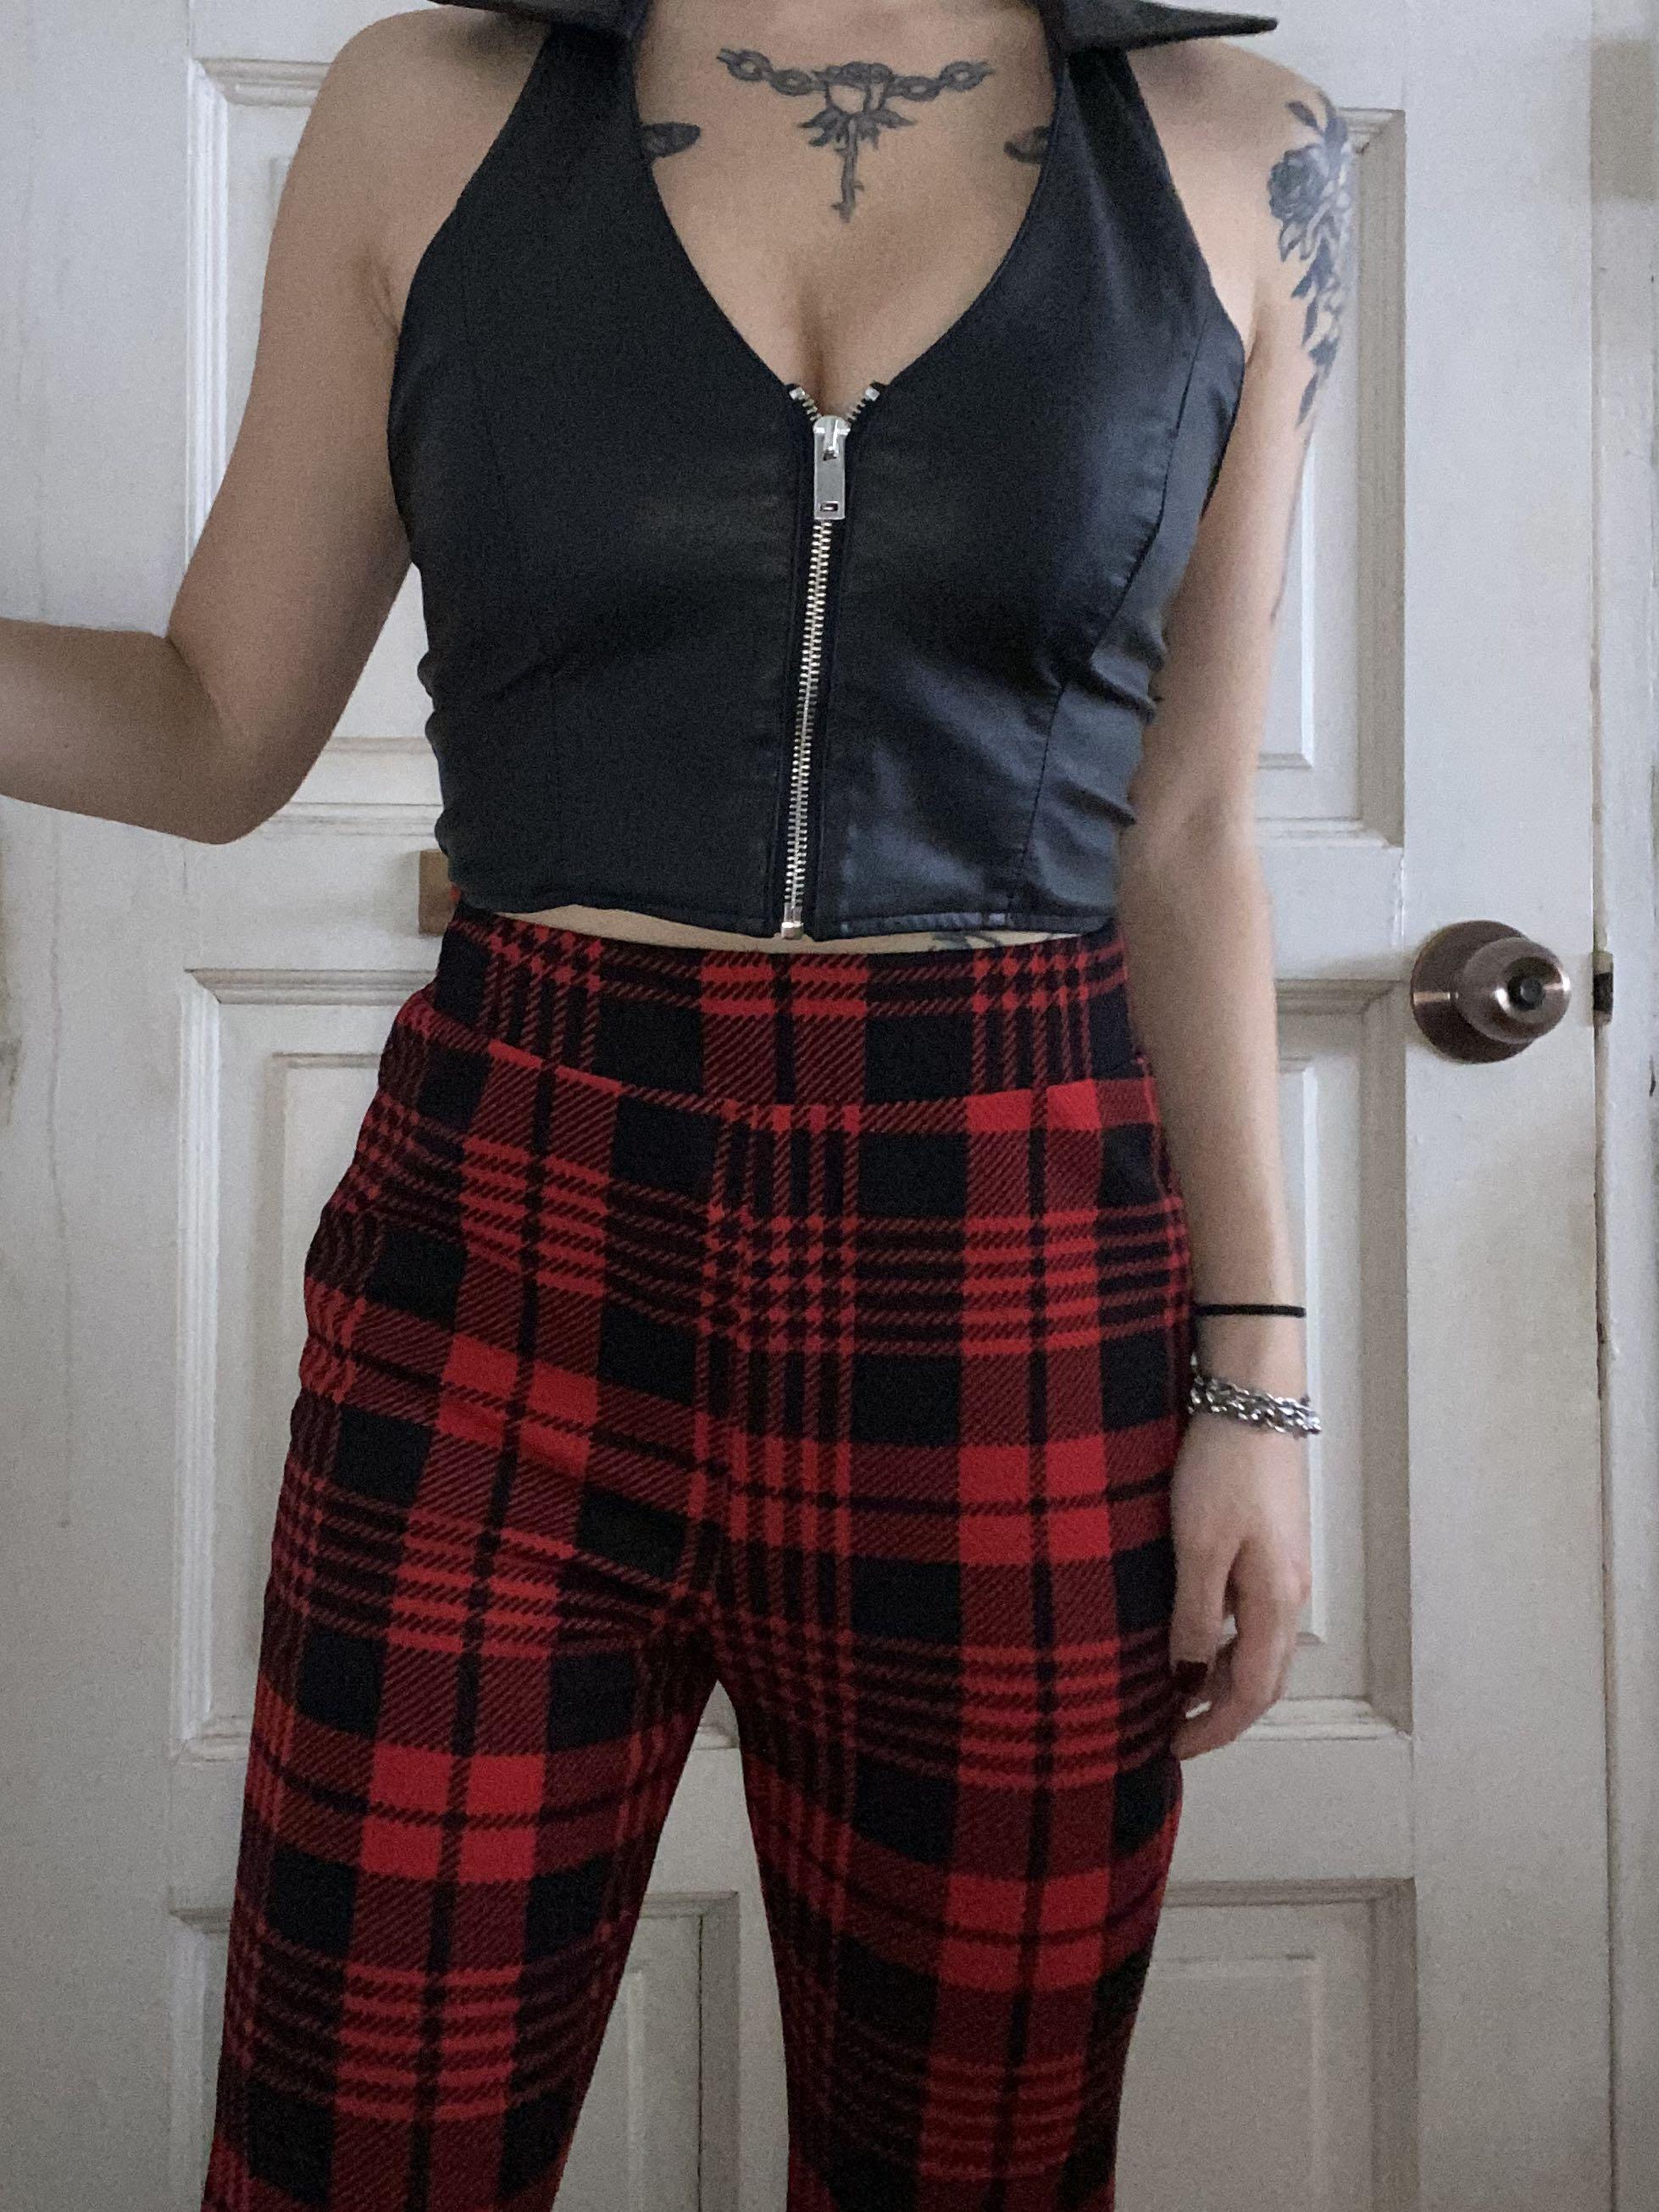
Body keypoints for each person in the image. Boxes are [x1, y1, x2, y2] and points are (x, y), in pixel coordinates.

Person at [0, 0, 1351, 2203]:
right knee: (355, 2145)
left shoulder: (1238, 146)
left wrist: (1258, 1377)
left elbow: (1189, 827)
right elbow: (213, 726)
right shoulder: (426, 111)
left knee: (975, 2165)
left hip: (1006, 1291)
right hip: (507, 1258)